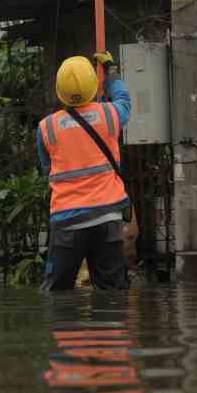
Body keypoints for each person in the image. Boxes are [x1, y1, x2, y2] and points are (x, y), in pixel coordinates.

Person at [38, 51, 133, 291]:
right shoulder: (110, 114)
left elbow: (47, 168)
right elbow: (124, 99)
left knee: (57, 293)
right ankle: (113, 329)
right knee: (113, 292)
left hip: (67, 220)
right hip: (107, 218)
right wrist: (110, 71)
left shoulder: (47, 127)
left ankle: (64, 329)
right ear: (93, 84)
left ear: (60, 91)